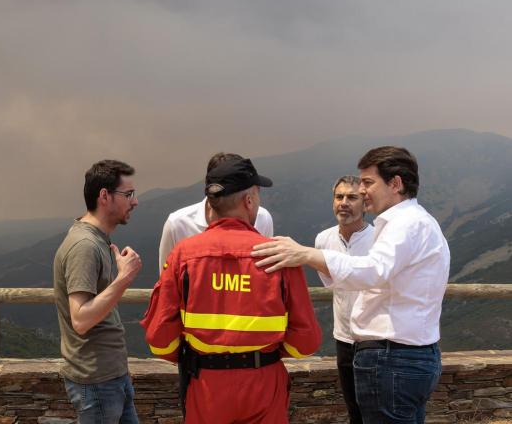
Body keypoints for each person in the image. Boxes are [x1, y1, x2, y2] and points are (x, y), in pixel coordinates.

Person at [253, 146, 450, 424]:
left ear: (395, 183)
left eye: (368, 183)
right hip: (404, 353)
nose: (363, 190)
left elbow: (373, 270)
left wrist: (308, 254)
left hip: (392, 355)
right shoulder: (416, 222)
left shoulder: (406, 225)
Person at [142, 155, 321, 424]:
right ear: (249, 201)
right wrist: (268, 354)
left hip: (206, 384)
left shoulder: (183, 255)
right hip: (263, 381)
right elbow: (306, 341)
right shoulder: (279, 254)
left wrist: (197, 353)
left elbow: (160, 339)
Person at [53, 159, 143, 424]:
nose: (134, 202)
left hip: (110, 377)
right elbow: (80, 319)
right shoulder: (84, 246)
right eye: (128, 195)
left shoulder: (97, 240)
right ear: (104, 196)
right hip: (97, 382)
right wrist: (125, 278)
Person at [315, 175, 374, 424]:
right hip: (343, 337)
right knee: (353, 408)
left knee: (375, 408)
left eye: (352, 197)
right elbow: (333, 284)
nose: (344, 203)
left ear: (365, 204)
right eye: (339, 197)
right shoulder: (323, 240)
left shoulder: (379, 239)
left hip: (374, 338)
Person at [158, 152, 275, 271]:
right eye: (258, 191)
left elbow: (266, 269)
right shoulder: (177, 225)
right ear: (248, 200)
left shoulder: (263, 218)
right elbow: (167, 278)